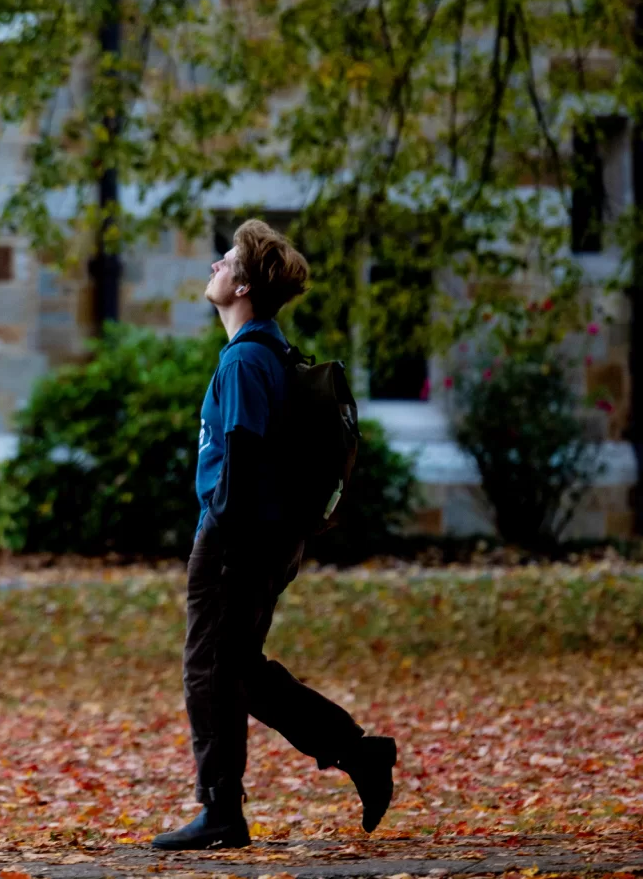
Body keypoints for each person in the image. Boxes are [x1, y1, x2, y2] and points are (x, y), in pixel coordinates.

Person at [151, 219, 398, 850]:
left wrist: (226, 544)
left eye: (225, 260)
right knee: (238, 668)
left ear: (242, 287)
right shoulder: (274, 355)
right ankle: (356, 752)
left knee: (209, 668)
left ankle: (221, 810)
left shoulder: (244, 363)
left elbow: (241, 461)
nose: (214, 267)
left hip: (235, 540)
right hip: (270, 539)